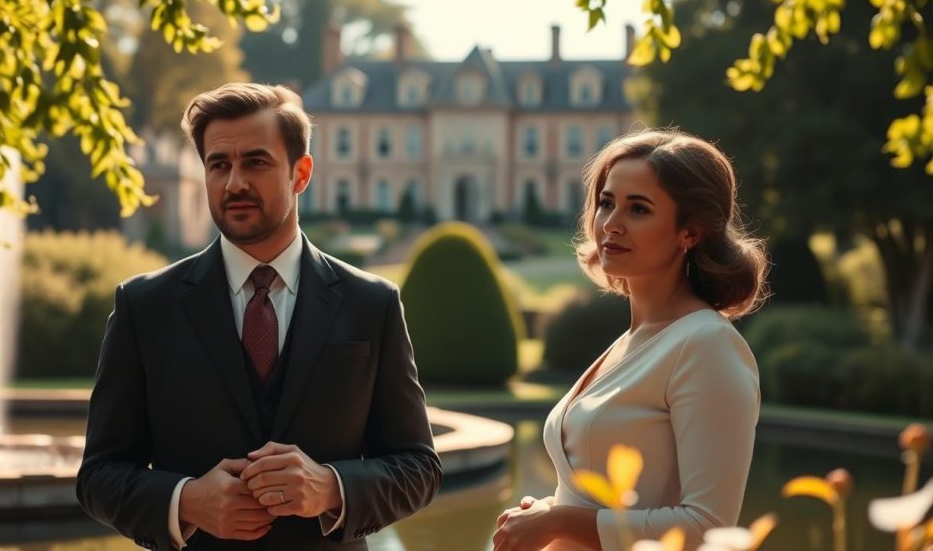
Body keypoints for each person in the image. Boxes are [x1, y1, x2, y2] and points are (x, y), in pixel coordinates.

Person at [76, 83, 442, 551]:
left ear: (300, 173)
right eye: (219, 165)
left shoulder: (372, 303)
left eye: (256, 162)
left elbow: (419, 467)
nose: (234, 183)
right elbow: (98, 475)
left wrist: (331, 488)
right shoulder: (144, 306)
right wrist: (186, 501)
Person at [493, 129, 768, 551]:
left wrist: (559, 520)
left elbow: (707, 528)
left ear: (690, 232)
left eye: (639, 209)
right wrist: (547, 512)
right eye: (607, 203)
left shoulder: (707, 345)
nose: (611, 224)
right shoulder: (632, 341)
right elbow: (605, 498)